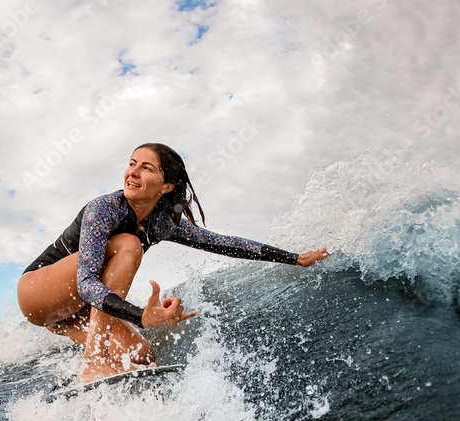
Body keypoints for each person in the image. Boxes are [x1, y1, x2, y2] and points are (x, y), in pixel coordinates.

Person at [17, 143, 328, 382]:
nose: (133, 173)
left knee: (140, 356)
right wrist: (141, 317)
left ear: (166, 186)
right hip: (38, 292)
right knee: (128, 244)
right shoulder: (104, 209)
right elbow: (86, 284)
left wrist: (294, 259)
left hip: (72, 313)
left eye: (146, 168)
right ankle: (93, 360)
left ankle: (89, 357)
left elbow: (226, 244)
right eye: (131, 164)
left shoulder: (164, 223)